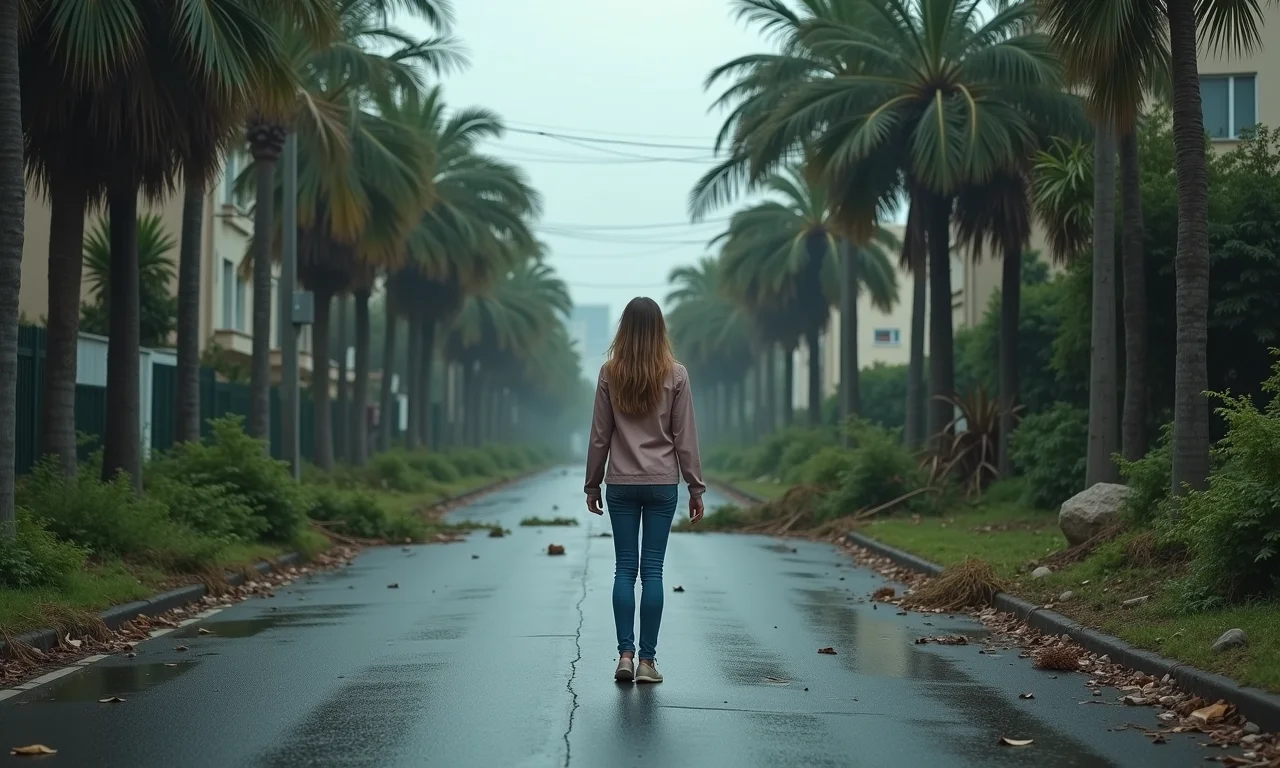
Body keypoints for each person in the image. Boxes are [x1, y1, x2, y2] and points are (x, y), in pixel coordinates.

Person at [584, 296, 705, 685]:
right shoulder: (677, 375)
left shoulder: (609, 373)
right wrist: (695, 487)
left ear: (625, 329)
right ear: (659, 330)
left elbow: (601, 435)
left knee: (624, 569)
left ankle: (624, 655)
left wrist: (592, 482)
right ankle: (648, 663)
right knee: (652, 572)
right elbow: (684, 438)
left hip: (619, 482)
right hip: (662, 483)